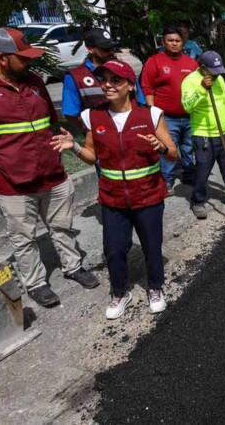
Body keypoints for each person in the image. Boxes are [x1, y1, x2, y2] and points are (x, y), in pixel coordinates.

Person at [0, 27, 99, 308]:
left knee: (62, 226)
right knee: (23, 238)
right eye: (23, 57)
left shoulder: (35, 82)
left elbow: (49, 121)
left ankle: (73, 267)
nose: (30, 62)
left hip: (52, 173)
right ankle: (37, 283)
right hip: (10, 183)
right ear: (2, 58)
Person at [51, 59, 178, 319]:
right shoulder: (93, 116)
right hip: (112, 198)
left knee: (151, 246)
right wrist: (74, 147)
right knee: (114, 249)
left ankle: (155, 287)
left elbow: (173, 154)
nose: (107, 85)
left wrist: (161, 147)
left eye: (115, 80)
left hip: (149, 194)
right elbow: (91, 155)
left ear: (130, 85)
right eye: (104, 80)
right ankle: (120, 292)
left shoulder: (151, 114)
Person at [181, 51, 225, 219]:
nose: (216, 76)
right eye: (212, 72)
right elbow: (187, 106)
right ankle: (198, 200)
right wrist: (202, 89)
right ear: (202, 68)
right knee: (202, 170)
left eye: (218, 72)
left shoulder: (219, 79)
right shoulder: (190, 81)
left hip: (224, 132)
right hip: (203, 135)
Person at [141, 26, 199, 190]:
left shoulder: (191, 63)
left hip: (189, 115)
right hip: (166, 118)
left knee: (188, 148)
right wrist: (152, 113)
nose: (174, 44)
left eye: (177, 41)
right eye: (170, 40)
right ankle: (166, 180)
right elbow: (147, 87)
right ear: (163, 42)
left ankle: (189, 175)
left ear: (183, 42)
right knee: (167, 149)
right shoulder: (155, 61)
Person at [62, 28, 145, 129]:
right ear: (91, 49)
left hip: (131, 131)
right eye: (106, 49)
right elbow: (71, 115)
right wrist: (93, 131)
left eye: (112, 48)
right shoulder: (75, 77)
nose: (111, 52)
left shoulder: (125, 69)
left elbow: (141, 103)